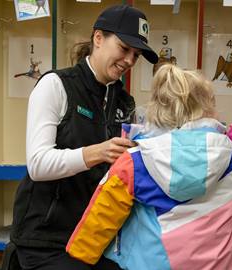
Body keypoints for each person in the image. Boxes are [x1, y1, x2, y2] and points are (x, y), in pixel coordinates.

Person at [66, 64, 232, 270]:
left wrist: (83, 252)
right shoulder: (231, 156)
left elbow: (103, 213)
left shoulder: (135, 161)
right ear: (207, 109)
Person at [8, 5, 158, 270]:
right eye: (124, 49)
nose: (130, 61)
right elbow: (38, 164)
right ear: (98, 38)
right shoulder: (54, 86)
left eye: (136, 55)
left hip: (96, 235)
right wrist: (97, 152)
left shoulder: (125, 101)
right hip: (46, 239)